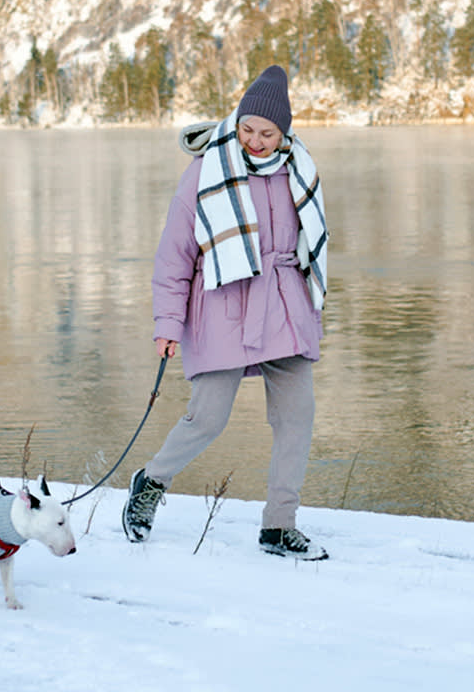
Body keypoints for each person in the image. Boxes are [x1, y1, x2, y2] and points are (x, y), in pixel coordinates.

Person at [122, 65, 330, 560]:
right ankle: (150, 483)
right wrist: (167, 324)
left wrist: (310, 306)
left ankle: (279, 526)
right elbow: (175, 256)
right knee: (206, 419)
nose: (255, 141)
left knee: (297, 418)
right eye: (247, 129)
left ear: (285, 134)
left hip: (283, 304)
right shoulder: (205, 172)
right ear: (236, 123)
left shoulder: (299, 171)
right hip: (221, 304)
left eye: (267, 133)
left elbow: (311, 246)